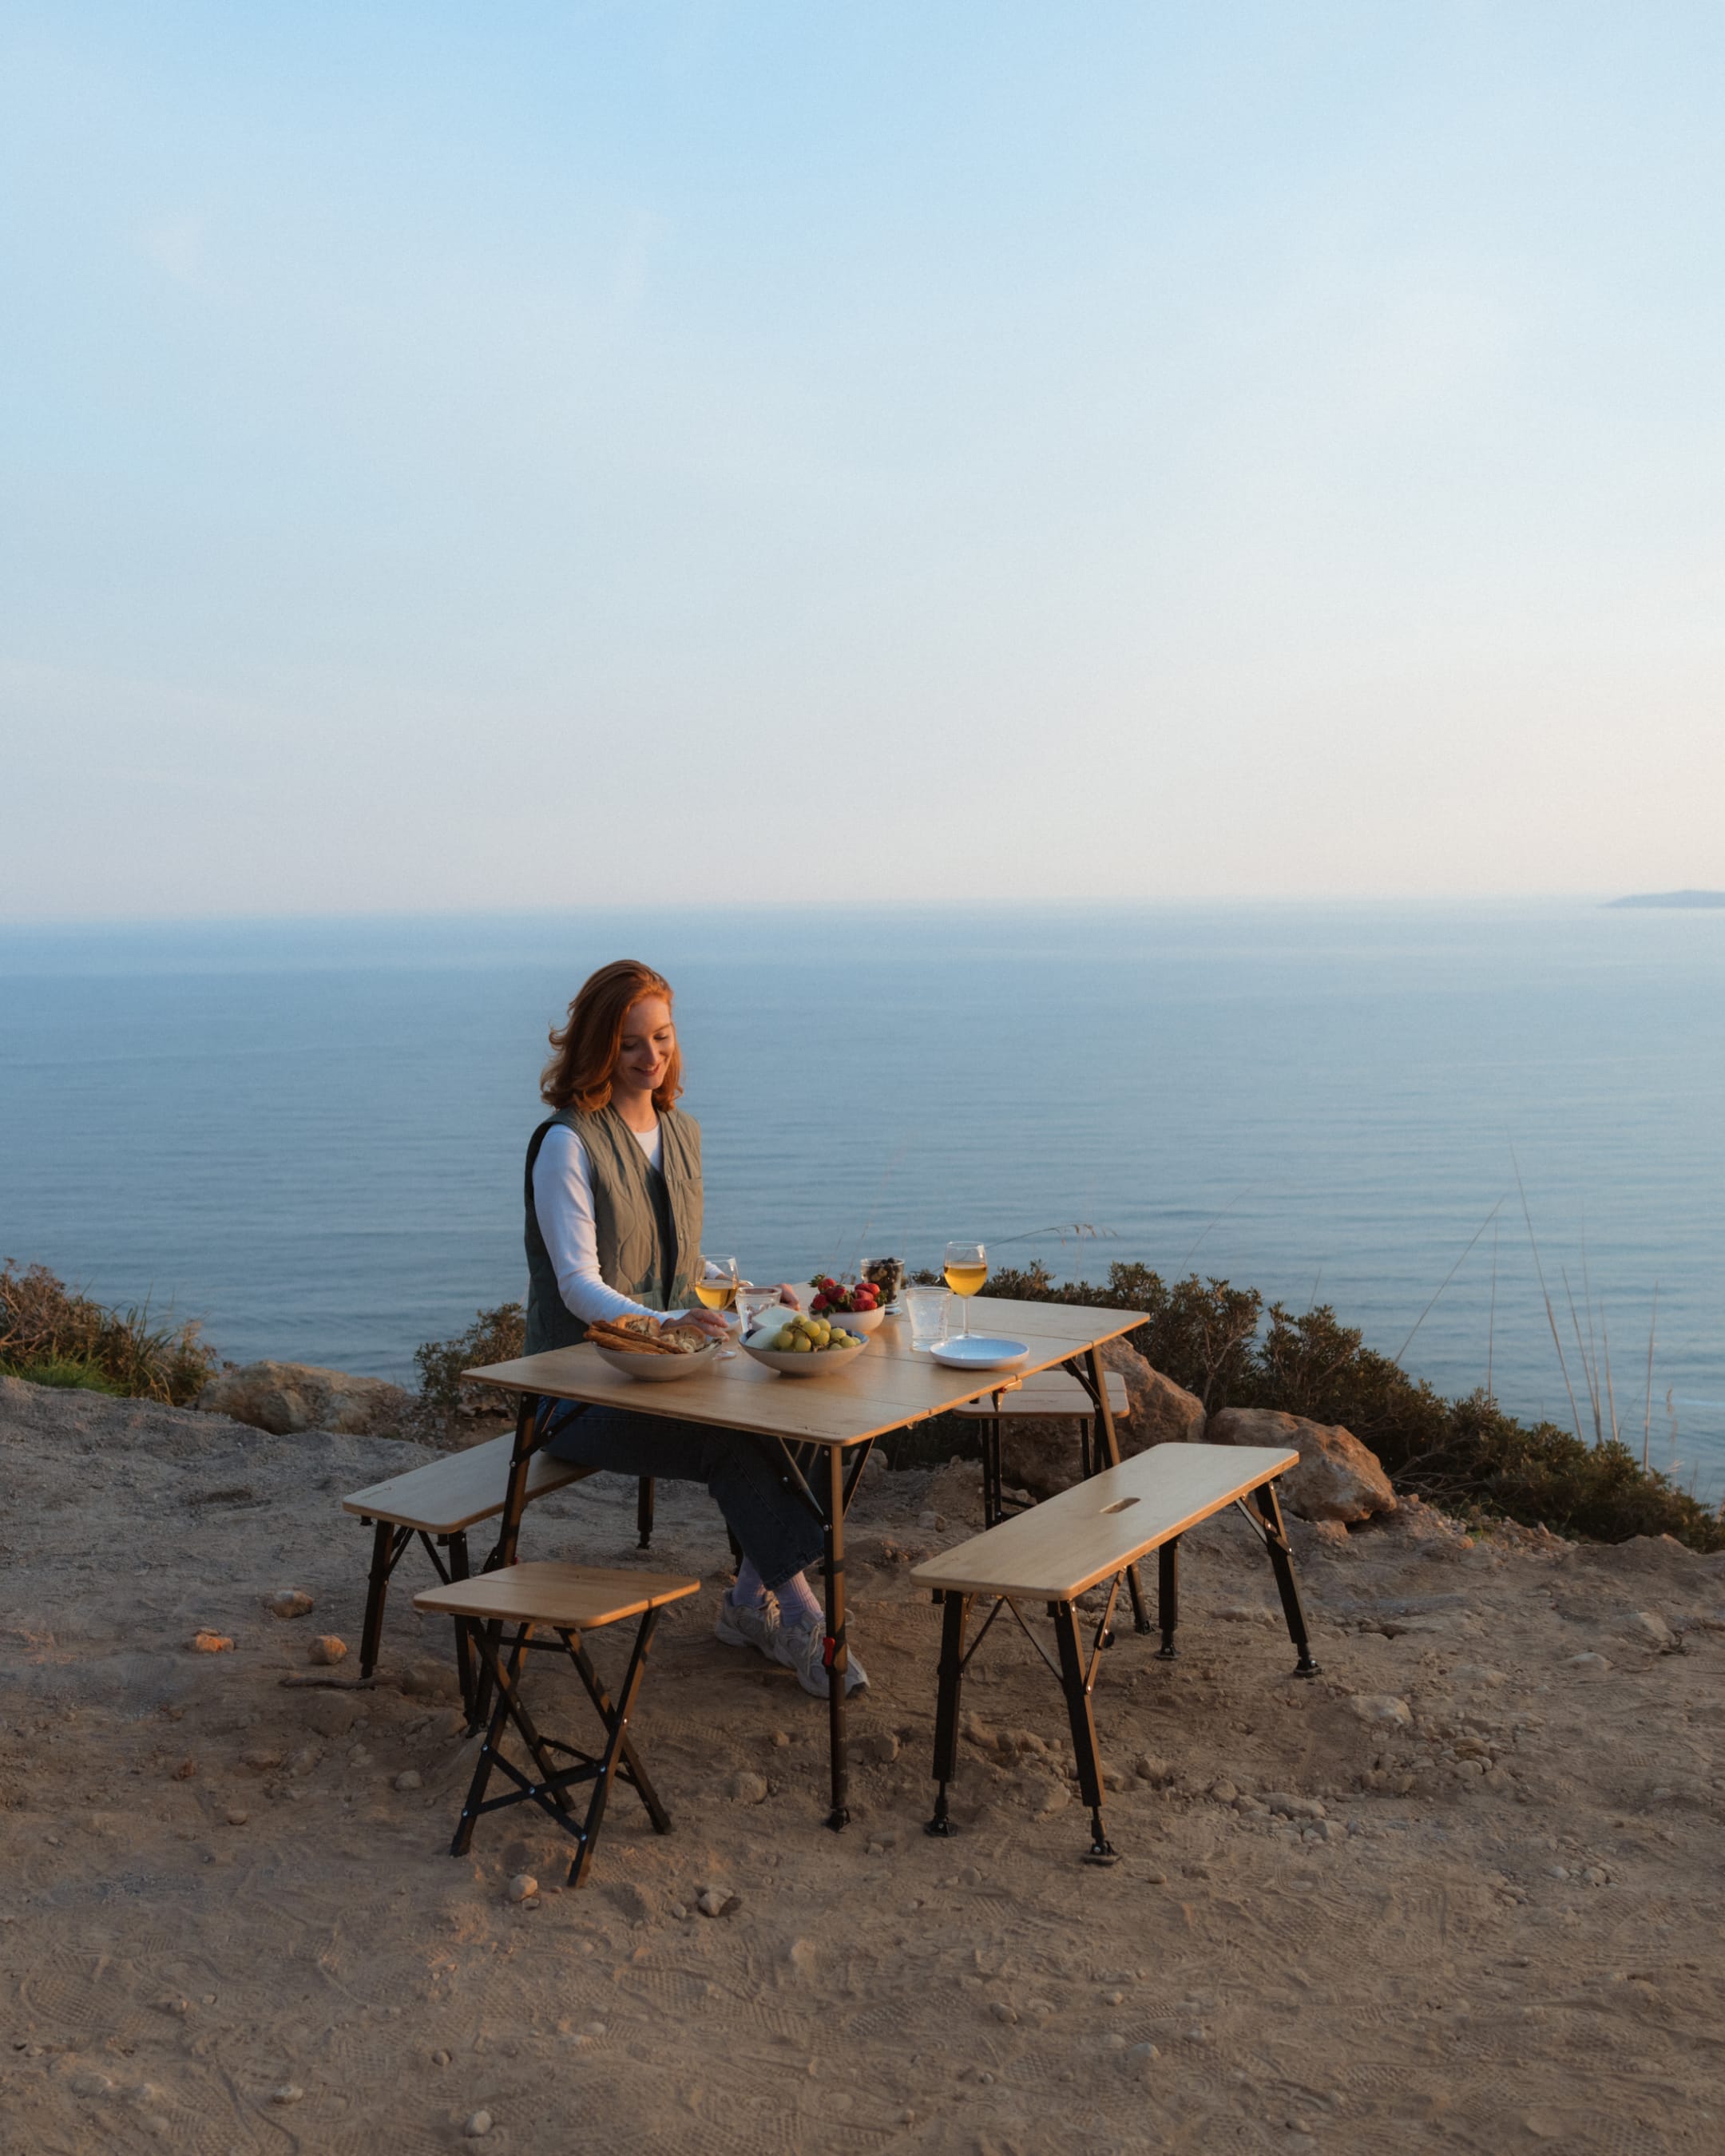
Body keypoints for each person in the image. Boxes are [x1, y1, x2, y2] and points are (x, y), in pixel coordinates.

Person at [523, 958, 866, 1697]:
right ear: (596, 1048)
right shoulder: (566, 1144)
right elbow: (579, 1285)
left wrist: (747, 1296)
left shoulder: (679, 1131)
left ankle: (747, 1603)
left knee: (803, 1408)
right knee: (731, 1440)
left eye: (664, 1039)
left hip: (678, 1372)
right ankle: (808, 1622)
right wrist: (672, 1323)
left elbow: (677, 1261)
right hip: (578, 1390)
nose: (653, 1058)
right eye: (631, 1044)